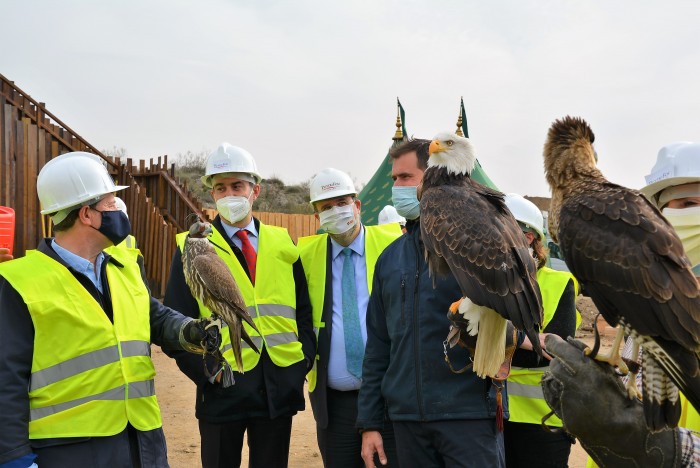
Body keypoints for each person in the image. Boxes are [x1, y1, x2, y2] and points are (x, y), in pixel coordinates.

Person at [0, 152, 212, 468]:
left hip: (142, 440)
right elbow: (6, 376)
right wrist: (14, 458)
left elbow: (151, 315)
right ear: (87, 214)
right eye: (111, 203)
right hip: (69, 451)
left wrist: (189, 330)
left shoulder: (125, 265)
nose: (118, 211)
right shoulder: (19, 283)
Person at [357, 138, 527, 468]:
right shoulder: (389, 260)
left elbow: (512, 317)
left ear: (433, 176)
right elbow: (378, 346)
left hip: (468, 414)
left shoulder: (471, 244)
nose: (397, 187)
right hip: (407, 419)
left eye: (405, 178)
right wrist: (370, 423)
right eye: (394, 179)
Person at [163, 142, 316, 468]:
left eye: (237, 186)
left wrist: (300, 363)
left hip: (277, 386)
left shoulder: (282, 241)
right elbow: (175, 322)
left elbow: (302, 309)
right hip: (223, 388)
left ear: (255, 190)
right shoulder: (192, 246)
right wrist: (207, 375)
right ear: (212, 194)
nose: (229, 193)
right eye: (220, 187)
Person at [297, 168, 402, 467]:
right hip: (333, 405)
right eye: (326, 207)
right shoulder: (303, 255)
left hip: (388, 397)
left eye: (342, 202)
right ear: (317, 217)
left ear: (357, 205)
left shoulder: (393, 245)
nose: (336, 211)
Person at [502, 193, 580, 468]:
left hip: (543, 422)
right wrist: (522, 339)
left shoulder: (558, 284)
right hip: (492, 417)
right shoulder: (480, 283)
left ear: (529, 238)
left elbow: (550, 353)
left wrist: (496, 339)